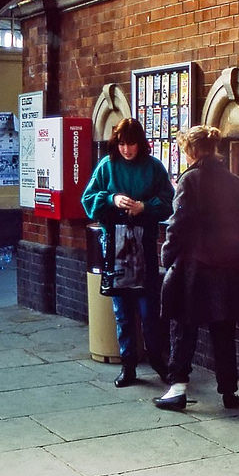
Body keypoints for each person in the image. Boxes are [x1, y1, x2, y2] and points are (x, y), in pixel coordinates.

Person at [153, 125, 239, 411]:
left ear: (191, 151)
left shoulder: (190, 181)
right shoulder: (234, 181)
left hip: (194, 269)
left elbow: (177, 225)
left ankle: (177, 389)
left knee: (183, 328)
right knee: (224, 330)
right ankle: (229, 392)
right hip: (228, 268)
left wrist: (167, 257)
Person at [81, 118, 174, 387]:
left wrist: (144, 207)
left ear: (140, 143)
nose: (126, 149)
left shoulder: (154, 167)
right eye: (121, 144)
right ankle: (128, 365)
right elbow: (88, 199)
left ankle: (157, 360)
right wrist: (112, 199)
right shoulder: (107, 165)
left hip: (143, 243)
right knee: (121, 311)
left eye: (131, 143)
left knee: (148, 310)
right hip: (115, 245)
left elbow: (168, 200)